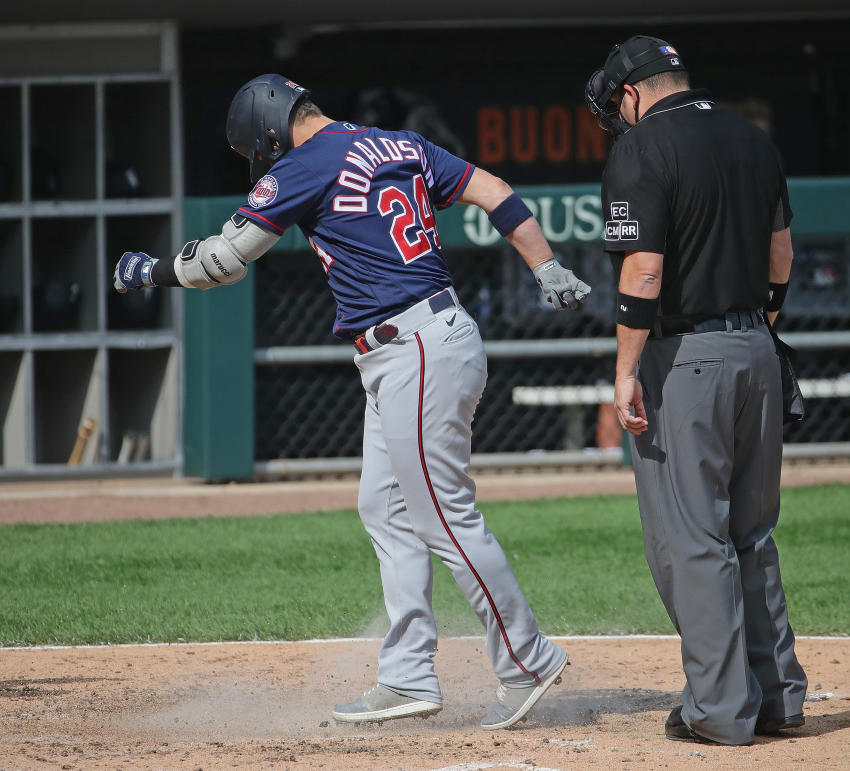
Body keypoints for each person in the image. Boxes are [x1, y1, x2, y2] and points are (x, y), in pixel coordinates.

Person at [114, 74, 590, 729]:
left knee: (445, 518)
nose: (267, 161)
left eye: (263, 150)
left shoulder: (307, 162)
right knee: (385, 507)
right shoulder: (398, 143)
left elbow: (224, 259)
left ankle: (526, 659)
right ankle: (407, 676)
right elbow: (497, 192)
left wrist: (152, 270)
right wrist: (545, 265)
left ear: (271, 132)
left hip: (415, 344)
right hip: (419, 341)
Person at [585, 37, 807, 745]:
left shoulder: (643, 145)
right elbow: (783, 255)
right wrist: (758, 327)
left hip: (687, 359)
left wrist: (623, 371)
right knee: (752, 534)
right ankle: (779, 698)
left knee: (693, 538)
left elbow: (644, 272)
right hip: (755, 352)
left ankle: (719, 710)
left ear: (631, 94)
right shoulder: (752, 136)